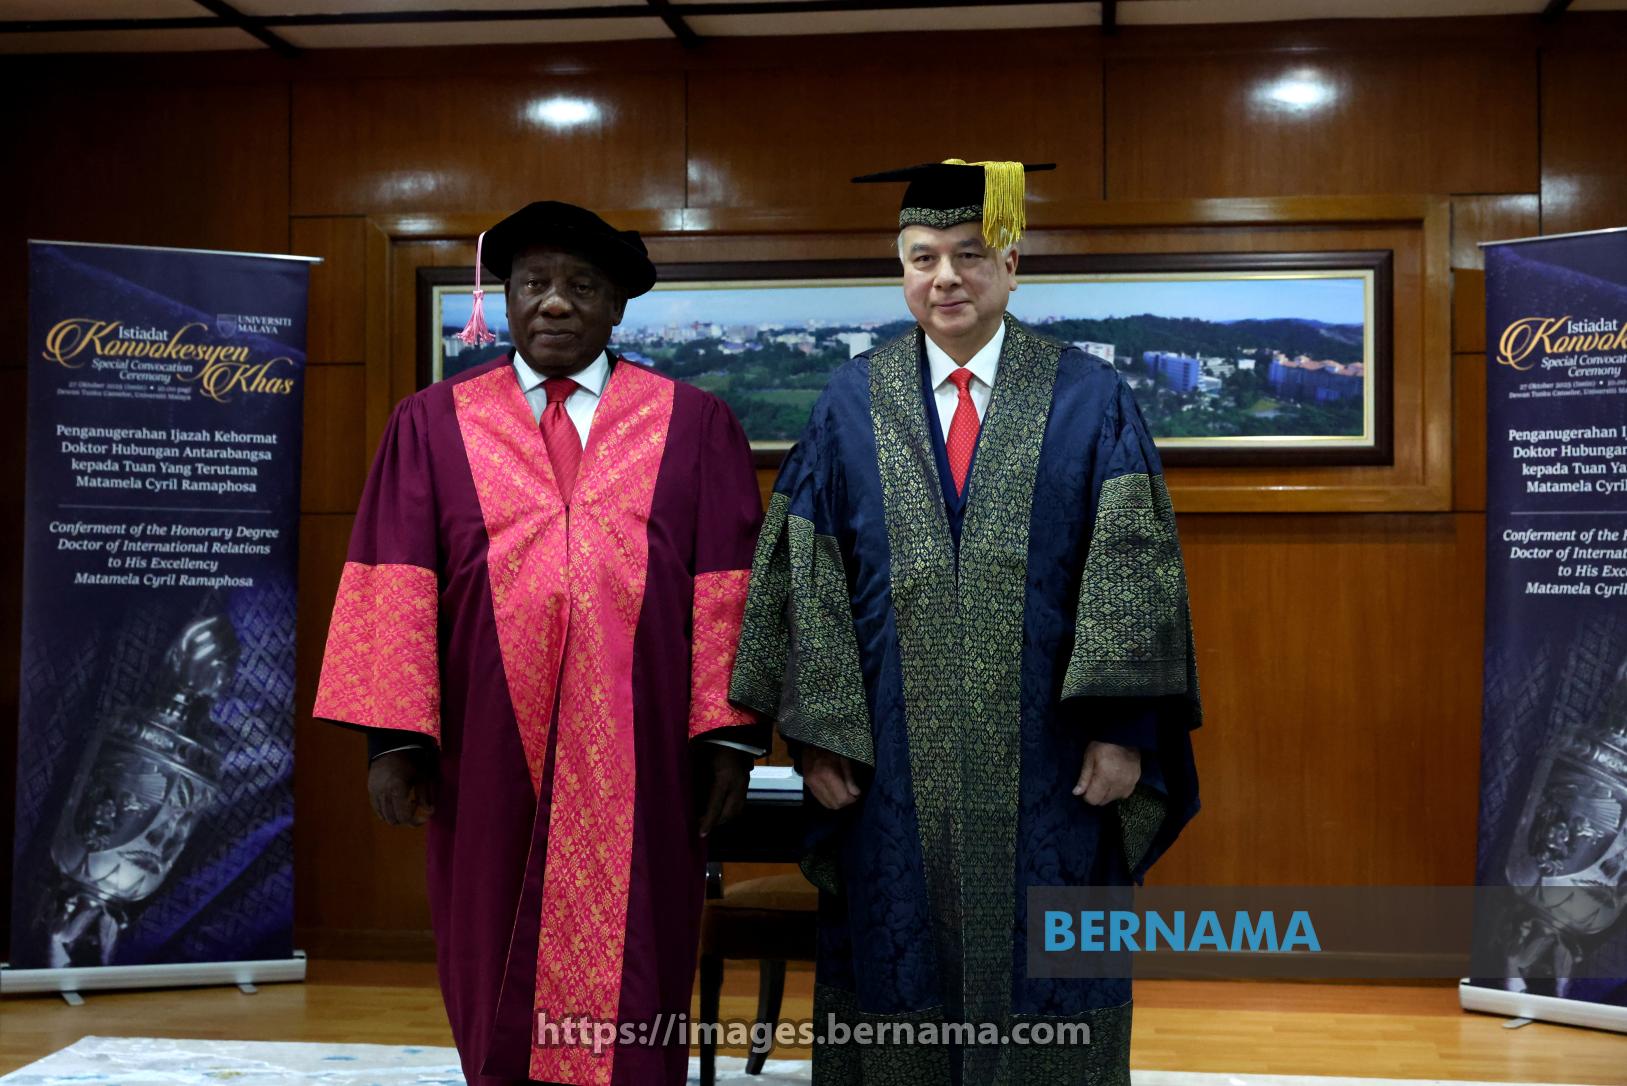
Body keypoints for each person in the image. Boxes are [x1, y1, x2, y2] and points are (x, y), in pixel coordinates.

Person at [729, 160, 1202, 1084]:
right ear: (901, 270)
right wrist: (816, 737)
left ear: (1011, 266)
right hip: (885, 757)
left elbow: (1132, 569)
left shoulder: (1088, 396)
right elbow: (804, 579)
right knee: (892, 953)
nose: (945, 276)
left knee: (1049, 962)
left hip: (1053, 756)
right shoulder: (849, 400)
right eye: (923, 257)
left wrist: (1121, 729)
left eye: (969, 254)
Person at [313, 200, 767, 1086]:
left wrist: (729, 740)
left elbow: (729, 588)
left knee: (643, 942)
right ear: (504, 299)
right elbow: (395, 580)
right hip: (482, 744)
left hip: (645, 746)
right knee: (489, 938)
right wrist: (396, 742)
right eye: (534, 283)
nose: (555, 303)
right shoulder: (432, 423)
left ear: (616, 307)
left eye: (581, 286)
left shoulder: (690, 422)